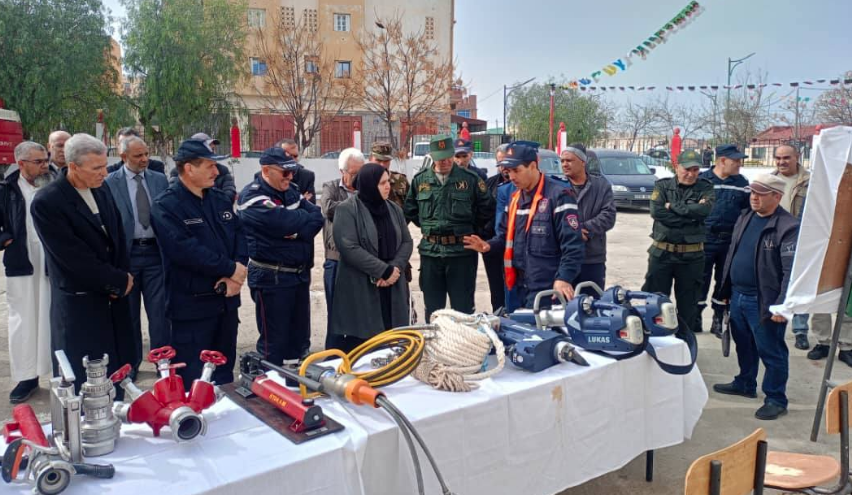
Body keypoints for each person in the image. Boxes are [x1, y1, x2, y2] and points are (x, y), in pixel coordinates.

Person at [31, 133, 134, 393]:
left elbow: (117, 235)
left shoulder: (102, 187)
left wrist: (122, 278)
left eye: (105, 165)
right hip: (81, 305)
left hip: (114, 298)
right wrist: (117, 280)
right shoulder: (48, 202)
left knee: (116, 376)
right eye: (96, 168)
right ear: (73, 167)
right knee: (85, 382)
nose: (104, 172)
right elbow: (73, 258)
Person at [150, 139, 248, 386]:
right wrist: (230, 269)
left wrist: (237, 271)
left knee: (224, 374)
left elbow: (240, 235)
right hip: (192, 308)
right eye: (210, 166)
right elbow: (184, 250)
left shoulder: (218, 199)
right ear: (189, 168)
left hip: (226, 303)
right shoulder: (167, 205)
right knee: (194, 377)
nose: (217, 172)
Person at [714, 173, 799, 420]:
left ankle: (775, 398)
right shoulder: (746, 217)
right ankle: (745, 382)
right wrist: (726, 291)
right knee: (744, 345)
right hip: (739, 295)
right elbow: (733, 253)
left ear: (777, 196)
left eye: (761, 194)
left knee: (771, 351)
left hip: (764, 301)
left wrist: (783, 306)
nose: (754, 198)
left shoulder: (787, 227)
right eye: (752, 193)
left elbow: (790, 272)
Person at [464, 142, 585, 310]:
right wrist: (488, 246)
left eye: (516, 170)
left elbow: (573, 245)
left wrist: (564, 278)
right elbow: (504, 238)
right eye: (508, 171)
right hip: (518, 287)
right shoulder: (514, 199)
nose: (511, 177)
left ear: (533, 166)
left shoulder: (559, 196)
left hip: (549, 290)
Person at [237, 148, 323, 366]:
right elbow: (283, 222)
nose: (291, 177)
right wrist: (296, 223)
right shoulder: (253, 196)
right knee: (273, 344)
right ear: (266, 170)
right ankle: (270, 387)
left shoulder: (291, 190)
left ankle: (294, 387)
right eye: (285, 173)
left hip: (298, 275)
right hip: (271, 278)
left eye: (292, 172)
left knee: (299, 341)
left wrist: (296, 231)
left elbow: (316, 217)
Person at [404, 135, 493, 321]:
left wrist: (471, 231)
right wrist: (430, 226)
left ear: (453, 155)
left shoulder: (470, 179)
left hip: (461, 253)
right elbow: (411, 210)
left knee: (463, 309)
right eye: (439, 158)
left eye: (447, 157)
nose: (444, 162)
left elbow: (487, 209)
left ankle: (462, 348)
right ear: (432, 156)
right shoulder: (420, 181)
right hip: (431, 252)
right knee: (433, 309)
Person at [328, 163, 414, 351]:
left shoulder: (394, 209)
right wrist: (383, 271)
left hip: (393, 284)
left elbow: (407, 242)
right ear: (368, 185)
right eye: (382, 183)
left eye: (388, 182)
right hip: (362, 286)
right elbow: (349, 247)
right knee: (364, 346)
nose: (387, 186)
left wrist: (395, 269)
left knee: (393, 340)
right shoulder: (347, 210)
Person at [104, 136, 170, 377]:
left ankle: (163, 363)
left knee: (160, 314)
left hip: (155, 254)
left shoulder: (159, 180)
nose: (144, 159)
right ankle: (130, 365)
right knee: (128, 315)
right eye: (137, 156)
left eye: (146, 154)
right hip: (126, 256)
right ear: (123, 157)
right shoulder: (110, 183)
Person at [1, 142, 57, 402]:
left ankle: (58, 373)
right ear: (21, 163)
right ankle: (27, 377)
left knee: (54, 316)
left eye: (45, 160)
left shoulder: (56, 183)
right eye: (38, 162)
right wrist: (6, 239)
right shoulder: (6, 189)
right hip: (22, 260)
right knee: (23, 321)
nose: (45, 165)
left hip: (54, 260)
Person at [642, 150, 715, 335]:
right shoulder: (663, 186)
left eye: (696, 170)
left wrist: (673, 207)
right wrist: (689, 218)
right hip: (662, 254)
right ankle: (657, 340)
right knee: (656, 301)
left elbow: (704, 211)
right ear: (677, 167)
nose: (691, 174)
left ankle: (684, 344)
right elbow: (657, 213)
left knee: (688, 305)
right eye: (687, 169)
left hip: (691, 257)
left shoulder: (705, 188)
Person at [698, 144, 750, 335]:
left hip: (729, 242)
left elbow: (747, 212)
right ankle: (695, 317)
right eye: (735, 161)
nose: (739, 164)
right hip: (704, 240)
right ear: (722, 160)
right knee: (699, 279)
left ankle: (718, 319)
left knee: (724, 281)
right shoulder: (702, 181)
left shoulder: (741, 183)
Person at [321, 148, 365, 348]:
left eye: (360, 173)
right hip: (336, 260)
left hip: (361, 261)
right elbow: (329, 209)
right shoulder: (330, 187)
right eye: (354, 173)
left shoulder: (366, 190)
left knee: (359, 313)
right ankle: (332, 357)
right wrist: (356, 203)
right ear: (342, 171)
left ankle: (356, 356)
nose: (357, 178)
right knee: (336, 314)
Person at [770, 145, 812, 350]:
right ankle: (772, 321)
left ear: (797, 157)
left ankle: (800, 330)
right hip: (772, 240)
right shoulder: (769, 180)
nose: (781, 162)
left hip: (799, 240)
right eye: (778, 158)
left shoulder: (810, 182)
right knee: (774, 283)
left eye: (786, 157)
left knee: (799, 285)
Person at [560, 143, 616, 294]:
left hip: (592, 257)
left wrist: (585, 229)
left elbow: (608, 215)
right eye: (562, 161)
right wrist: (575, 231)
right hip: (564, 258)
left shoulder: (601, 185)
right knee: (563, 308)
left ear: (583, 162)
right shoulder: (557, 186)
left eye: (569, 160)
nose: (564, 164)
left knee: (592, 306)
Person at [482, 144, 510, 312]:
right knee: (497, 289)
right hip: (493, 246)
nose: (504, 168)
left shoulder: (526, 187)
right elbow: (480, 212)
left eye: (507, 162)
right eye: (500, 163)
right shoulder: (489, 184)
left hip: (516, 248)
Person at [168, 134, 236, 200]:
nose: (210, 152)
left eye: (212, 149)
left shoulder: (222, 170)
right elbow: (174, 195)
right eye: (207, 148)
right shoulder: (177, 172)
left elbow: (230, 194)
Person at [370, 142, 409, 208]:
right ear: (370, 159)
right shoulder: (363, 180)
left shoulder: (401, 180)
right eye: (378, 160)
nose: (382, 164)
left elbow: (411, 208)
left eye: (385, 161)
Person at [278, 138, 316, 204]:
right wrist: (301, 201)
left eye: (295, 156)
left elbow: (311, 206)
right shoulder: (268, 175)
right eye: (288, 156)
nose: (292, 160)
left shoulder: (307, 176)